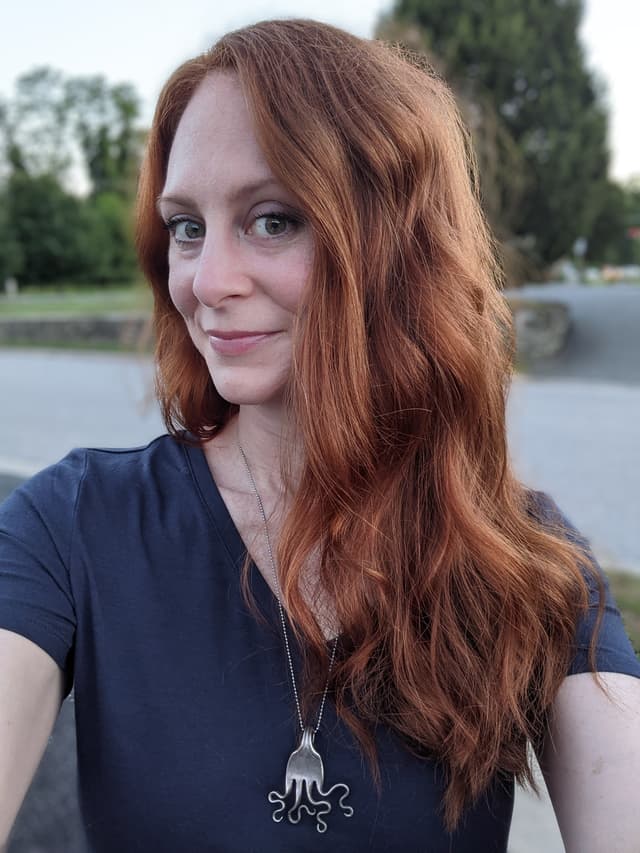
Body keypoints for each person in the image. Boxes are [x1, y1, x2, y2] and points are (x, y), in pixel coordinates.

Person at [1, 18, 639, 853]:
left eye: (272, 220)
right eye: (187, 226)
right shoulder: (71, 525)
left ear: (396, 246)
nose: (207, 281)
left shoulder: (523, 561)